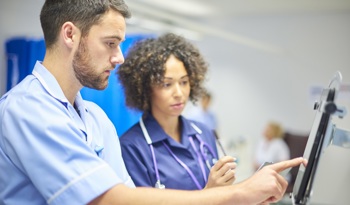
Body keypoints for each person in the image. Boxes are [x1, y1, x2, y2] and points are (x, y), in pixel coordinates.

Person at [0, 0, 307, 204]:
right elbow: (110, 199)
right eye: (110, 43)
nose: (119, 57)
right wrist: (239, 193)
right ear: (69, 34)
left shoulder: (94, 118)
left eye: (120, 44)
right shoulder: (27, 110)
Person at [117, 33, 236, 190]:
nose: (179, 93)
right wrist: (209, 194)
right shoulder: (132, 147)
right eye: (167, 84)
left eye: (184, 82)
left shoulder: (203, 133)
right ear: (145, 89)